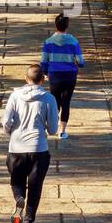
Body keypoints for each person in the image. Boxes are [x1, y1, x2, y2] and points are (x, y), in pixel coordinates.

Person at [2, 63, 59, 223]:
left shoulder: (15, 96)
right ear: (43, 80)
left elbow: (6, 122)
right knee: (35, 188)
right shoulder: (48, 99)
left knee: (16, 181)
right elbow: (53, 129)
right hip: (38, 149)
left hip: (16, 148)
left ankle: (19, 198)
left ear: (26, 79)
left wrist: (12, 133)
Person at [40, 12, 85, 140]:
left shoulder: (48, 42)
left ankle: (51, 127)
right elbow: (81, 62)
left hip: (54, 76)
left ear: (56, 25)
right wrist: (79, 65)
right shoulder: (73, 41)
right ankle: (62, 131)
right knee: (66, 102)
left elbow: (44, 61)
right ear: (67, 26)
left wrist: (45, 73)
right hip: (70, 76)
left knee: (55, 102)